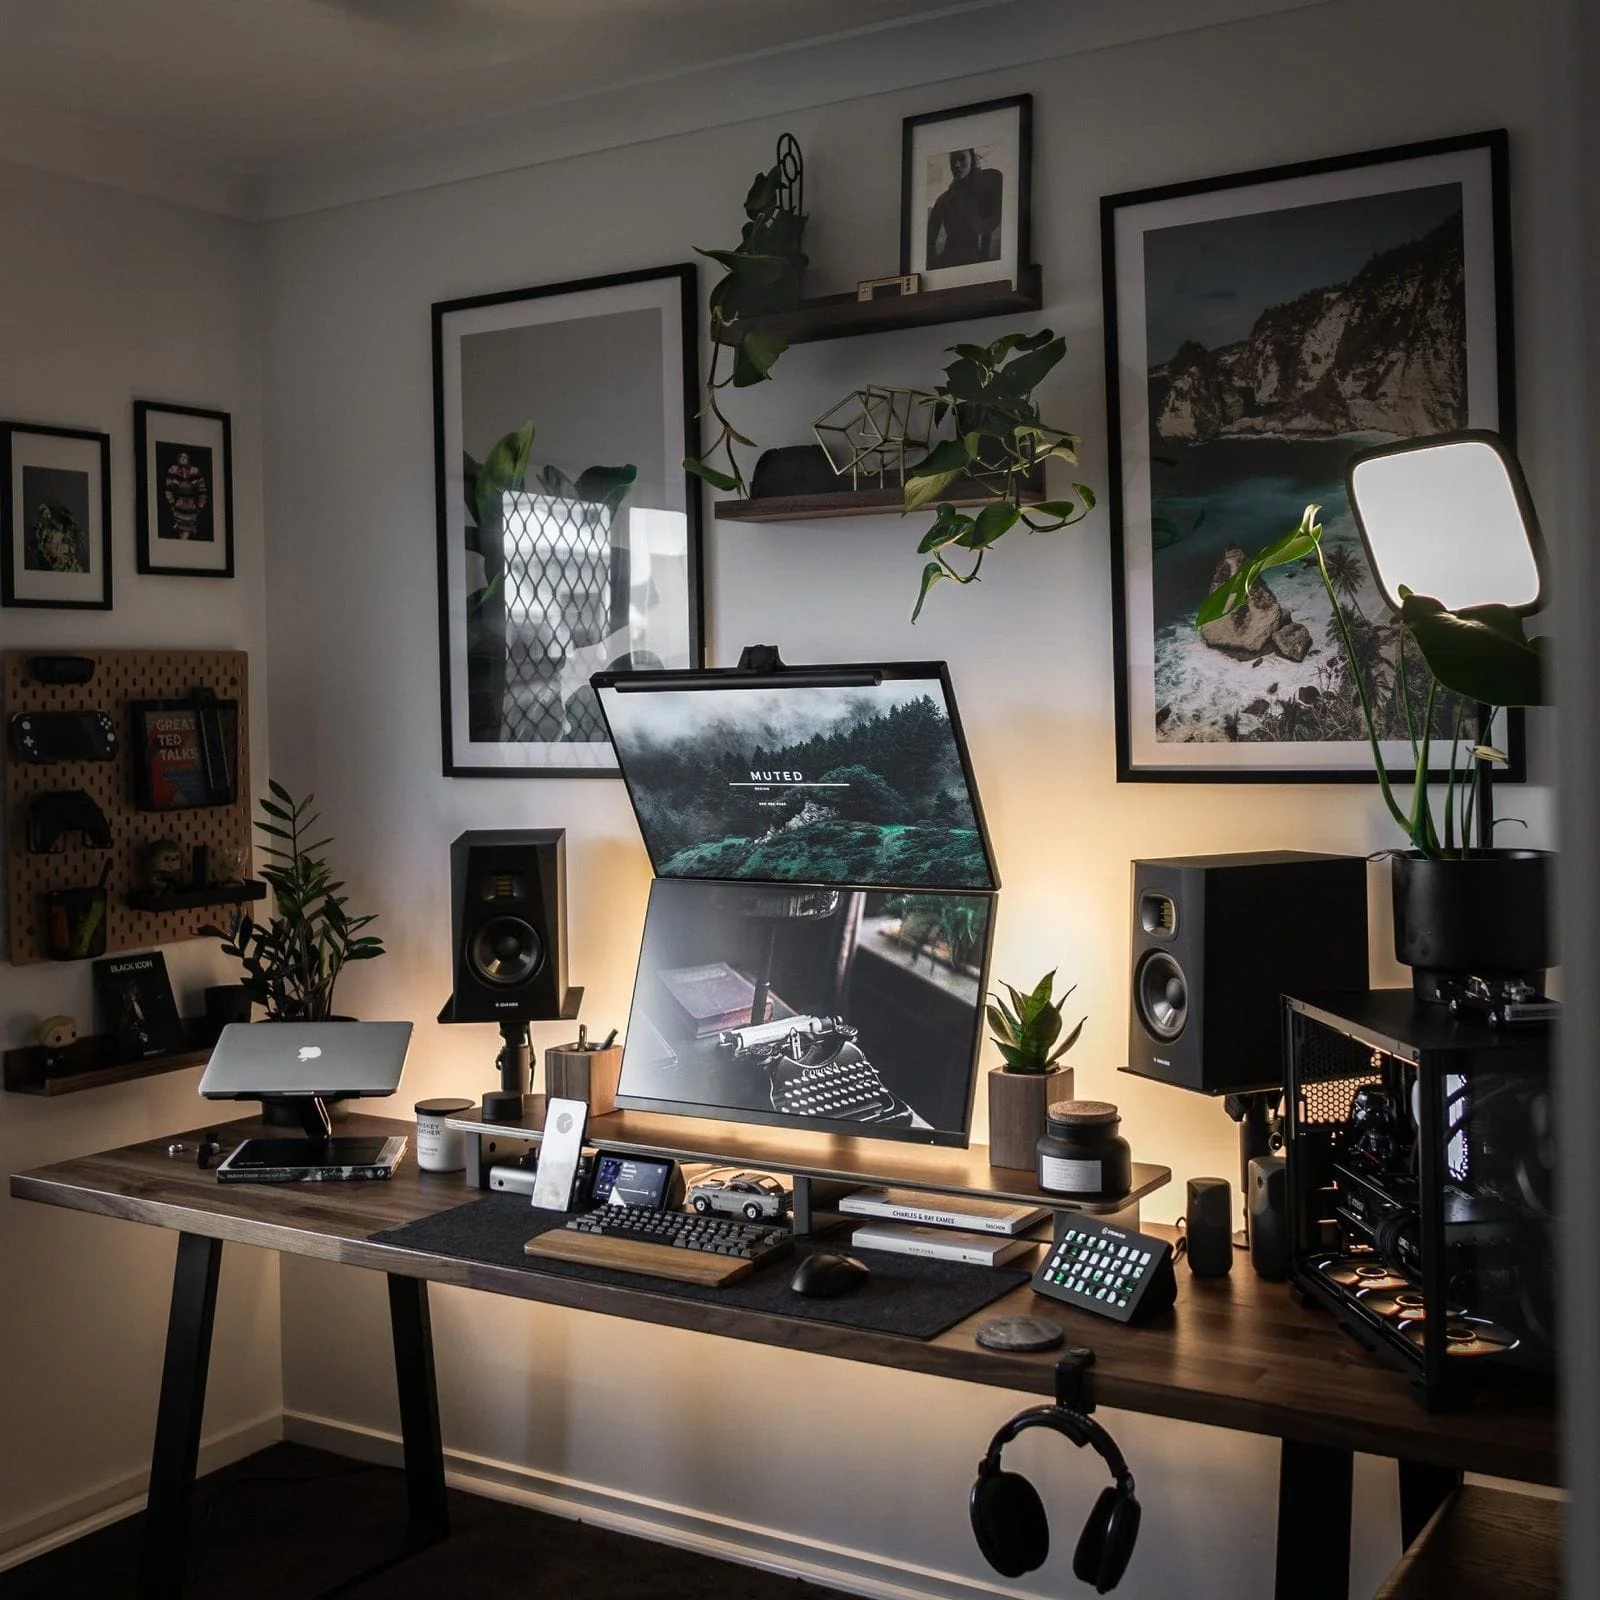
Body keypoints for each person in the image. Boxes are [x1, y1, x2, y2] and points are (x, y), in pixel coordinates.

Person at [926, 148, 1004, 269]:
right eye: (953, 161)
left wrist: (983, 267)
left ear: (971, 160)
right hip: (947, 263)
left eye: (962, 158)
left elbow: (987, 232)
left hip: (974, 263)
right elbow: (929, 243)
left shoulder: (981, 195)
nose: (957, 165)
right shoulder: (943, 200)